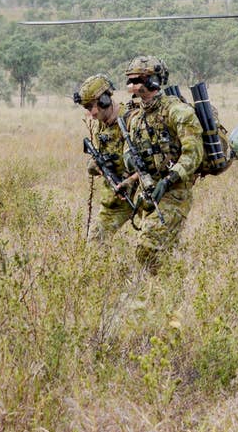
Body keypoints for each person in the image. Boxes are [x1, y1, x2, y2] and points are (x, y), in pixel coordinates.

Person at [121, 56, 204, 271]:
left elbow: (193, 154)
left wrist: (168, 181)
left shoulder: (177, 112)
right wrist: (131, 171)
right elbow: (133, 152)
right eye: (130, 81)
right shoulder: (136, 117)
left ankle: (169, 284)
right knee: (166, 251)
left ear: (153, 81)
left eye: (138, 80)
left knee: (146, 249)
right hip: (148, 194)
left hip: (175, 194)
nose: (133, 86)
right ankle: (173, 286)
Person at [75, 73, 135, 241]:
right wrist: (96, 166)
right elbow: (98, 158)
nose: (91, 113)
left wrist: (129, 180)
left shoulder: (131, 120)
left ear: (104, 100)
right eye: (86, 109)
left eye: (91, 106)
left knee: (150, 247)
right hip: (117, 198)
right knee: (95, 242)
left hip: (144, 194)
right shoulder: (100, 127)